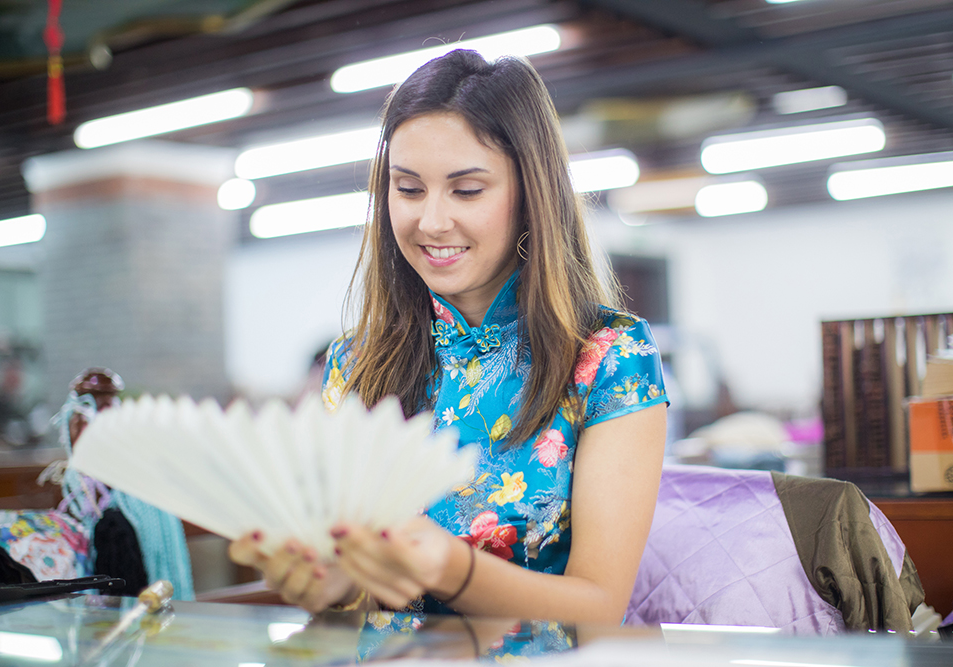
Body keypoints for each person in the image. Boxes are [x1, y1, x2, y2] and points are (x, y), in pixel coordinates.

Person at [230, 49, 668, 625]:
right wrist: (323, 583)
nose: (431, 222)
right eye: (408, 190)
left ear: (532, 194)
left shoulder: (611, 356)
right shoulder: (354, 364)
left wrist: (452, 571)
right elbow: (349, 606)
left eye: (466, 191)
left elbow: (598, 606)